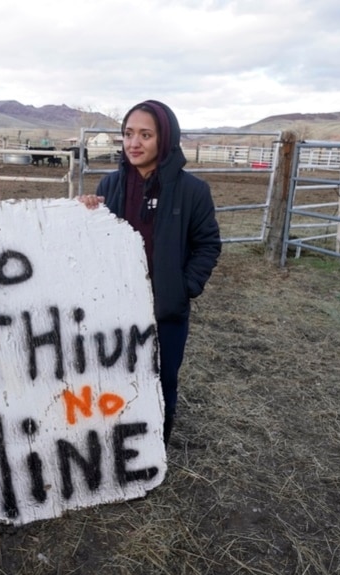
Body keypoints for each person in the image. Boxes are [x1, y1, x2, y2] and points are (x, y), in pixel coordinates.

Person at [78, 100, 221, 446]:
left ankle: (154, 450)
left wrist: (183, 287)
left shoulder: (192, 192)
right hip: (115, 307)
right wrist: (84, 214)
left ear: (165, 139)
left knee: (161, 379)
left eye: (145, 134)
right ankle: (117, 450)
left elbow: (208, 245)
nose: (134, 143)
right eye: (128, 134)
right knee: (113, 376)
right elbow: (93, 245)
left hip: (165, 311)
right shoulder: (110, 186)